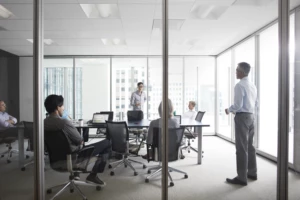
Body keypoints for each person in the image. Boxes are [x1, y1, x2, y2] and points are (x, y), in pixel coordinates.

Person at [44, 95, 111, 186]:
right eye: (62, 106)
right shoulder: (64, 123)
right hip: (74, 156)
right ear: (57, 107)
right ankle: (93, 175)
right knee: (107, 143)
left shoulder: (43, 123)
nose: (63, 108)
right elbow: (80, 141)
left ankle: (76, 173)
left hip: (54, 161)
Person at [225, 62, 258, 186]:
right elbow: (256, 103)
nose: (235, 72)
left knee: (241, 148)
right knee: (250, 146)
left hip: (242, 118)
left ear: (242, 72)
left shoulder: (239, 85)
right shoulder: (252, 85)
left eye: (237, 70)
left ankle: (242, 177)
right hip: (251, 116)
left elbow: (238, 105)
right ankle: (252, 173)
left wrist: (229, 110)